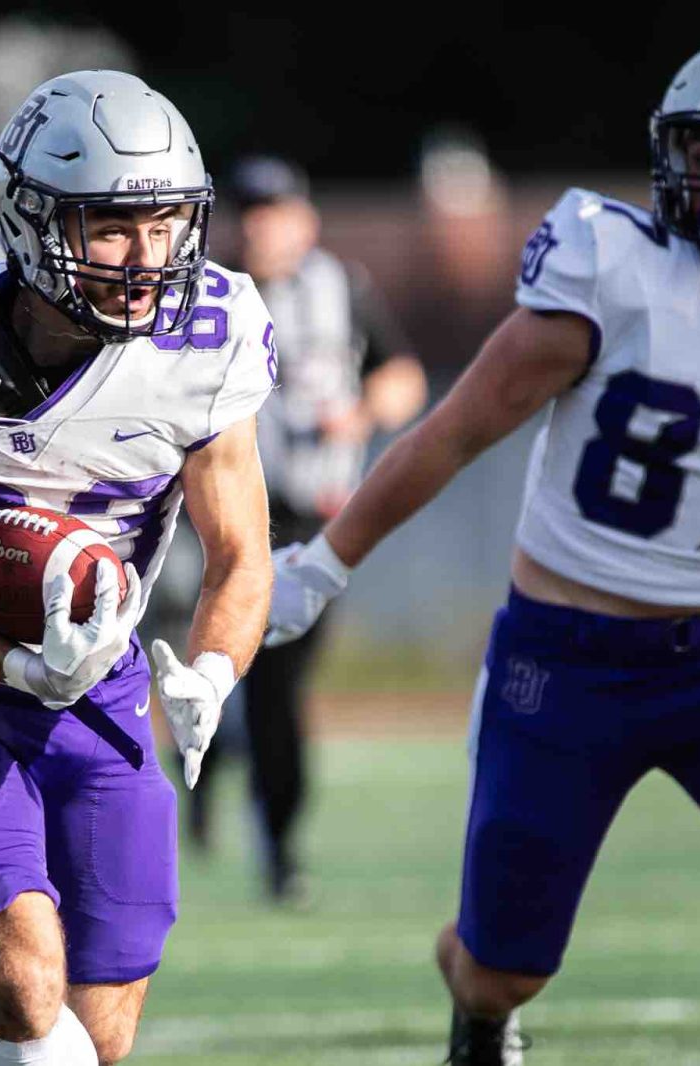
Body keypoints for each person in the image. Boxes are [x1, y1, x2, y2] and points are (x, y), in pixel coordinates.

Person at [266, 35, 700, 1065]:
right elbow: (456, 429)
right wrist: (327, 561)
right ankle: (480, 1004)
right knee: (501, 966)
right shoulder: (611, 266)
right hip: (564, 662)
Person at [0, 70, 275, 1066]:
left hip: (107, 690)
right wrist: (19, 668)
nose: (144, 255)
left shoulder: (209, 335)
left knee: (92, 1041)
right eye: (111, 227)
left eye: (165, 224)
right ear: (30, 223)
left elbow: (241, 551)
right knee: (29, 996)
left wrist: (210, 673)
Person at [186, 156, 426, 904]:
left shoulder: (341, 287)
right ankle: (280, 846)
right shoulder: (208, 291)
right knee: (272, 685)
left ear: (305, 219)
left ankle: (214, 752)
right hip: (243, 505)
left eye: (276, 210)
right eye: (251, 212)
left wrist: (362, 414)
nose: (262, 226)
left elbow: (402, 377)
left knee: (282, 682)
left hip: (327, 514)